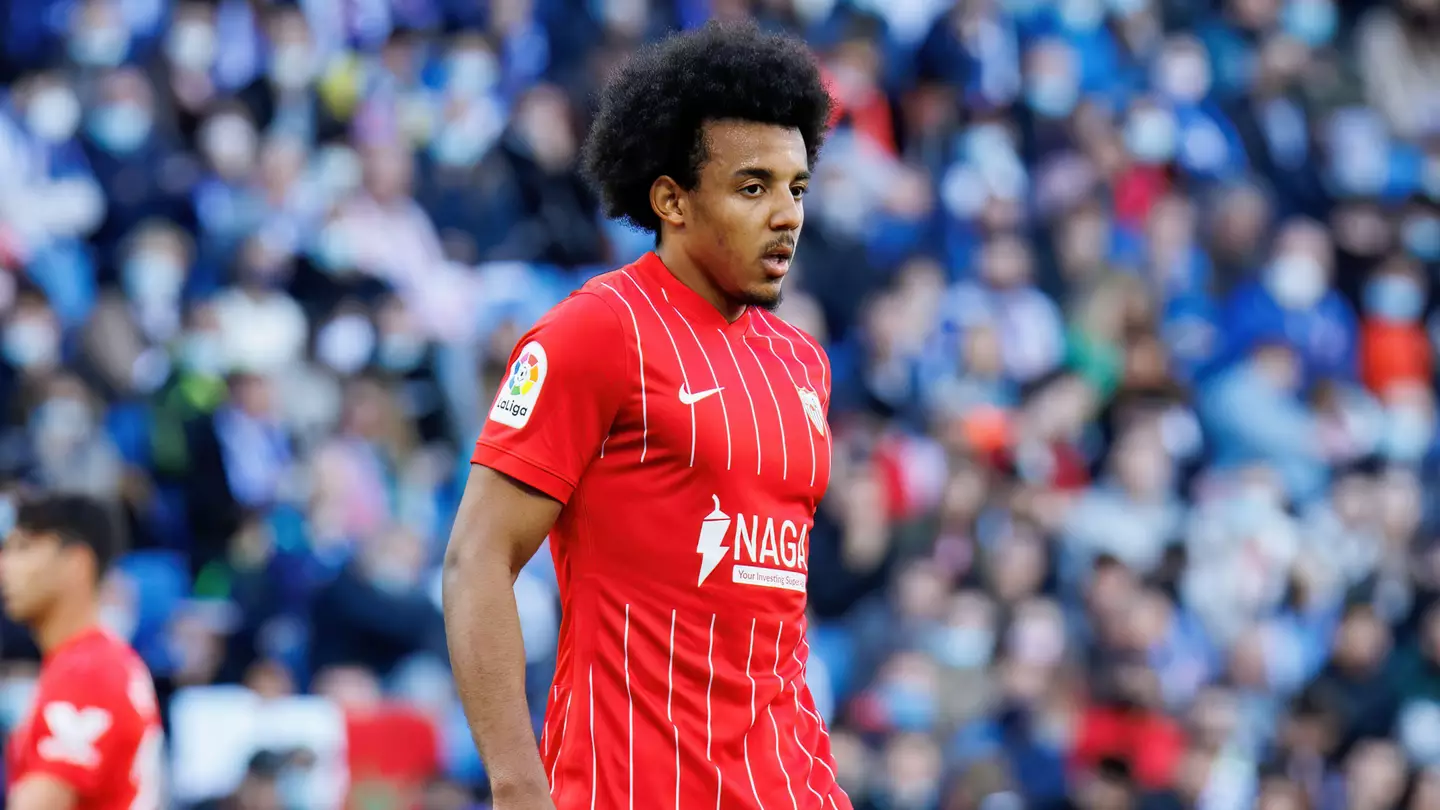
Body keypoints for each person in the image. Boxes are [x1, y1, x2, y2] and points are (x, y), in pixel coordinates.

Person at [443, 20, 847, 810]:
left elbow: (767, 619)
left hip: (790, 787)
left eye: (796, 187)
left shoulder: (803, 363)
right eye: (752, 186)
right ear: (671, 200)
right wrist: (519, 784)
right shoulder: (596, 333)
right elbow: (475, 562)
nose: (787, 215)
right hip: (628, 787)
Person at [1, 495, 163, 810]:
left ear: (76, 563)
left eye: (23, 548)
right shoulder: (96, 662)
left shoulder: (87, 672)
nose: (5, 565)